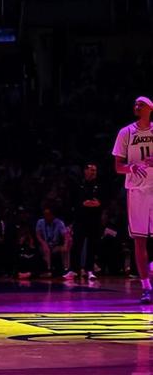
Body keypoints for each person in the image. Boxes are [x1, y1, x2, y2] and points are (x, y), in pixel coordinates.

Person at [112, 96, 153, 303]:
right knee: (139, 239)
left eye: (141, 104)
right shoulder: (126, 132)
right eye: (135, 104)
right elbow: (118, 166)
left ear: (150, 108)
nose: (137, 106)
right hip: (136, 190)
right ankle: (146, 287)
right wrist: (132, 167)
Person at [65, 163, 102, 281]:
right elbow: (73, 201)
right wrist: (82, 204)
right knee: (77, 244)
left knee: (92, 245)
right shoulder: (79, 184)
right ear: (85, 171)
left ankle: (89, 270)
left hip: (94, 219)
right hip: (80, 219)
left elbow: (102, 200)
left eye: (95, 170)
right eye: (91, 170)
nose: (93, 172)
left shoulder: (99, 185)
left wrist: (98, 203)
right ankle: (73, 270)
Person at [35, 207, 71, 277]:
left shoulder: (59, 223)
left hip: (55, 245)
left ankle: (66, 270)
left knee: (65, 248)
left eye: (48, 214)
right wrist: (43, 243)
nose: (46, 216)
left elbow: (65, 236)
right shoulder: (40, 222)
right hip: (44, 244)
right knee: (46, 249)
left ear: (52, 215)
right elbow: (38, 235)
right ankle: (48, 269)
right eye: (44, 214)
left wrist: (65, 245)